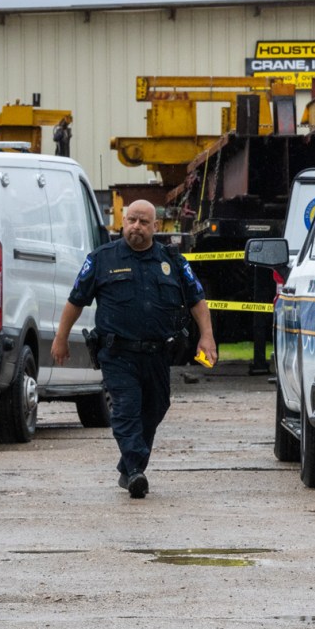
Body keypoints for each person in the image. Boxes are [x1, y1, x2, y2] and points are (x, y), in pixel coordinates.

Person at [51, 199, 216, 498]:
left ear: (155, 227)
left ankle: (129, 467)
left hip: (157, 354)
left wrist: (207, 336)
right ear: (123, 223)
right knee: (126, 409)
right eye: (131, 220)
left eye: (143, 222)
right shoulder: (101, 259)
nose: (136, 227)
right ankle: (137, 472)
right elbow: (76, 301)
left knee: (155, 407)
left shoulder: (172, 260)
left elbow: (197, 300)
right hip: (117, 354)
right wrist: (61, 338)